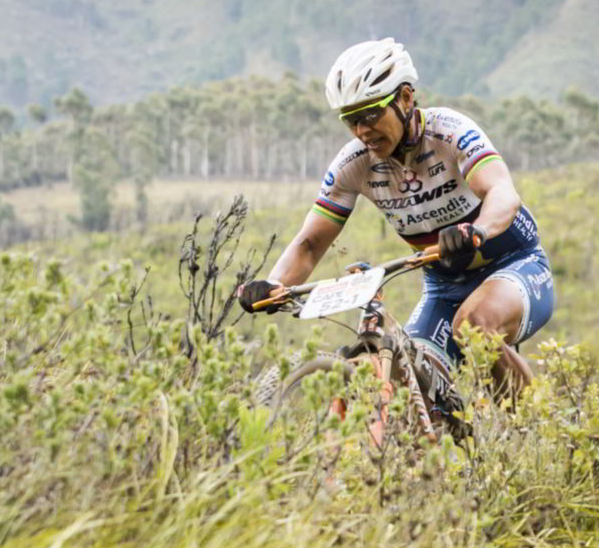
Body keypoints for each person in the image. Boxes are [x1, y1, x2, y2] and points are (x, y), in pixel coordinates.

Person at [236, 37, 555, 410]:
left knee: (474, 326)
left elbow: (502, 191)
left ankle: (540, 430)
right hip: (443, 285)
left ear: (405, 98)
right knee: (410, 380)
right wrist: (274, 285)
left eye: (370, 114)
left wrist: (478, 230)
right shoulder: (353, 163)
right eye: (351, 120)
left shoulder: (449, 131)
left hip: (513, 263)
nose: (362, 130)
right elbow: (310, 243)